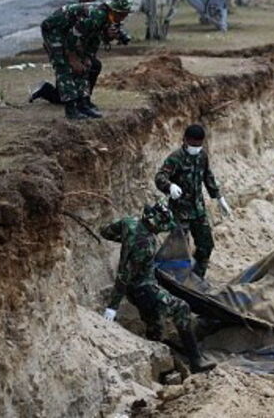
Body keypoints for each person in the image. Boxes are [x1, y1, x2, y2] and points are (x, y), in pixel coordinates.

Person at [100, 201, 214, 374]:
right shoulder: (144, 245)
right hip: (143, 289)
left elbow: (106, 232)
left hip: (141, 287)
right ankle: (195, 361)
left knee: (155, 329)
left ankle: (162, 367)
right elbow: (124, 274)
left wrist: (126, 241)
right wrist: (113, 306)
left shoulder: (129, 222)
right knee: (182, 308)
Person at [31, 0, 133, 120]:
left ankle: (83, 104)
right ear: (116, 11)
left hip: (72, 33)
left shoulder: (109, 18)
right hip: (55, 30)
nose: (124, 17)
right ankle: (71, 109)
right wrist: (72, 57)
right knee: (65, 66)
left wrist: (87, 57)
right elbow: (74, 34)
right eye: (123, 14)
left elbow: (93, 39)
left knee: (85, 66)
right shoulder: (96, 15)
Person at [154, 124, 229, 278]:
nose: (196, 148)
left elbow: (207, 176)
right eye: (193, 144)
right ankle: (176, 278)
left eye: (199, 144)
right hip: (180, 212)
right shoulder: (176, 158)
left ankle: (196, 277)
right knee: (180, 248)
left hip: (198, 210)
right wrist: (170, 186)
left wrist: (219, 197)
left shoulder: (202, 156)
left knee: (206, 245)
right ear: (185, 140)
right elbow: (160, 177)